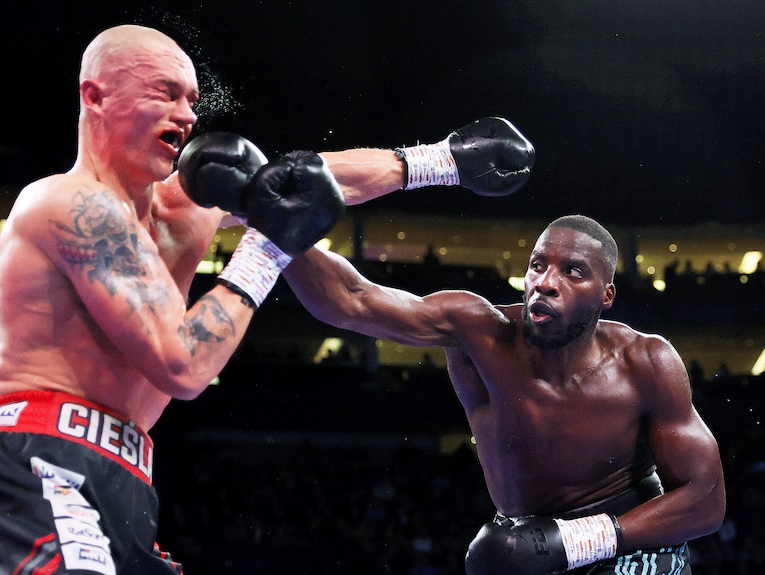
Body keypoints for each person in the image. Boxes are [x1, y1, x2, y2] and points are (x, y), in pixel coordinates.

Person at [0, 24, 535, 575]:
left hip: (125, 478)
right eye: (164, 93)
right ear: (95, 97)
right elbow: (182, 363)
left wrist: (446, 161)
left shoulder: (184, 207)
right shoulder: (68, 204)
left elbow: (311, 175)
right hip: (37, 460)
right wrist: (268, 246)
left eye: (191, 101)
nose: (185, 114)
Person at [283, 214, 726, 575]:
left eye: (573, 272)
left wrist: (581, 540)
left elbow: (706, 500)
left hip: (631, 542)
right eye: (538, 265)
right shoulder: (477, 333)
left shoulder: (646, 361)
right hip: (529, 544)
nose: (546, 282)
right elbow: (352, 299)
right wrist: (276, 229)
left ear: (606, 295)